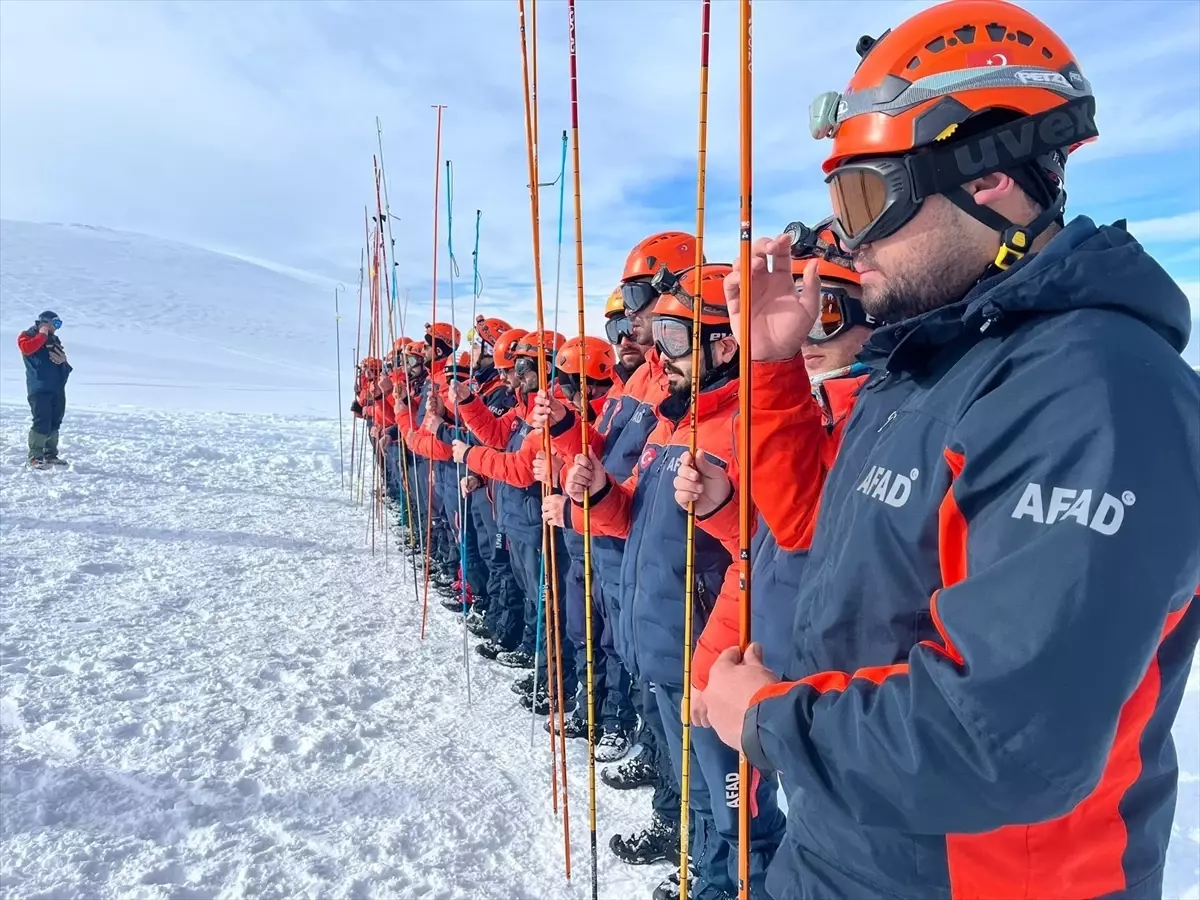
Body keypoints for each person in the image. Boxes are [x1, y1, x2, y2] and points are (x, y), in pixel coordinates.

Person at [701, 3, 1200, 898]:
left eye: (866, 197)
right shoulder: (929, 368)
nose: (848, 241)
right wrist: (773, 371)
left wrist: (770, 725)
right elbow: (823, 529)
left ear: (991, 180)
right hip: (847, 855)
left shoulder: (1095, 391)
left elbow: (1005, 736)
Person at [559, 264, 785, 900]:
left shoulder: (749, 428)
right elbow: (632, 517)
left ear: (725, 343)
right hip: (660, 647)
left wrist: (710, 671)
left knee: (738, 816)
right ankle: (700, 878)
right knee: (695, 792)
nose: (659, 353)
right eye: (655, 333)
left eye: (676, 336)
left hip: (709, 661)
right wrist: (602, 492)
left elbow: (771, 556)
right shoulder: (672, 420)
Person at [17, 311, 72, 467]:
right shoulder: (27, 336)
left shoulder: (54, 340)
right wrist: (41, 335)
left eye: (59, 325)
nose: (56, 328)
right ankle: (35, 455)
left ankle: (50, 454)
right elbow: (27, 348)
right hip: (39, 388)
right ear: (44, 322)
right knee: (42, 420)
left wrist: (64, 363)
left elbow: (63, 365)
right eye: (55, 324)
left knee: (55, 421)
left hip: (57, 388)